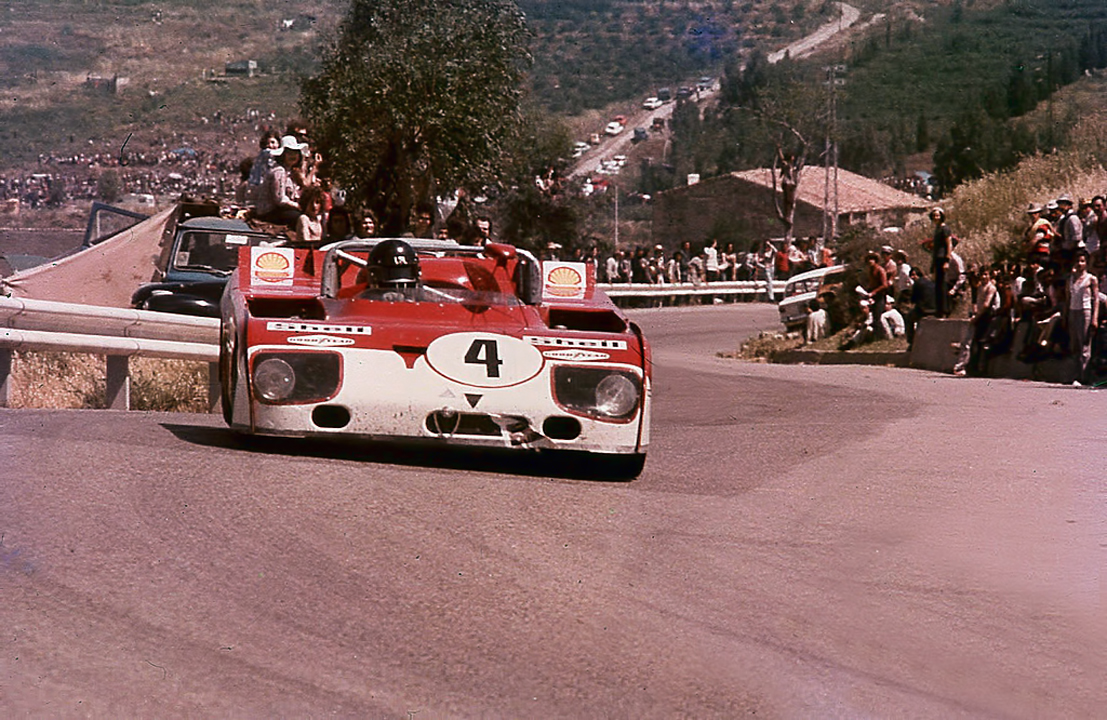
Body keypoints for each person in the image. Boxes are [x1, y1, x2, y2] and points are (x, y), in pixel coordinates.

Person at [256, 135, 308, 226]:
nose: (293, 156)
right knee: (300, 218)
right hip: (270, 211)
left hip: (282, 209)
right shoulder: (279, 171)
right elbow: (280, 199)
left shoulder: (291, 172)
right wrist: (297, 206)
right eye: (289, 153)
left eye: (295, 153)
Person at [1067, 249, 1099, 380]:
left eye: (1082, 261)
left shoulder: (1091, 279)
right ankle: (1075, 374)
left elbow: (1096, 299)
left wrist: (1094, 318)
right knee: (1074, 344)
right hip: (1073, 310)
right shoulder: (1071, 279)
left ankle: (1084, 375)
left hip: (1085, 311)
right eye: (1077, 261)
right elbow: (1068, 298)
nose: (1079, 264)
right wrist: (1065, 315)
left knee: (1084, 344)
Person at [925, 207, 953, 317]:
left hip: (942, 258)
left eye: (937, 215)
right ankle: (939, 309)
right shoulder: (937, 229)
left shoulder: (945, 228)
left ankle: (944, 310)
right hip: (937, 258)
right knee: (937, 285)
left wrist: (947, 260)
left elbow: (949, 244)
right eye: (934, 216)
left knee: (942, 285)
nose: (936, 218)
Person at [905, 266, 936, 349]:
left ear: (919, 275)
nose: (912, 277)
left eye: (914, 275)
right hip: (935, 309)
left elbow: (913, 299)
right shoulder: (931, 282)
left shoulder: (917, 284)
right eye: (911, 275)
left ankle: (911, 341)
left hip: (924, 310)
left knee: (908, 318)